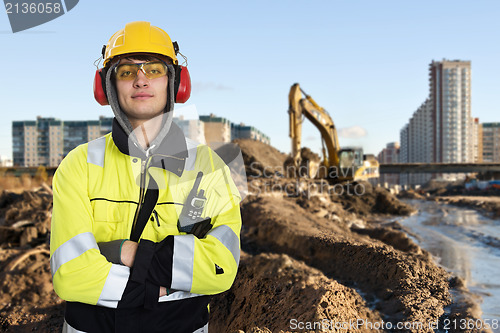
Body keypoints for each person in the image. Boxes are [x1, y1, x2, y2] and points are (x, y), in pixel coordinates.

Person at [50, 21, 242, 333]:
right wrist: (168, 283)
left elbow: (221, 269)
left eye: (154, 69)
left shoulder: (208, 166)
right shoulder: (79, 164)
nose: (141, 79)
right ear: (108, 87)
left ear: (175, 83)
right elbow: (71, 275)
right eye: (126, 71)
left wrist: (119, 252)